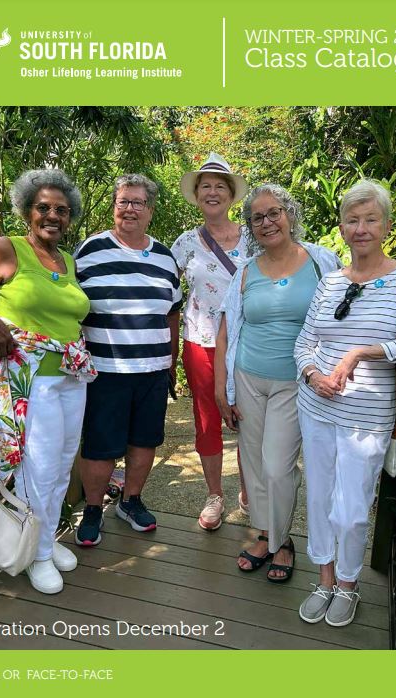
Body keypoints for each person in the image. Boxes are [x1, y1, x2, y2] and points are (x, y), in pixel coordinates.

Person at [294, 179, 396, 626]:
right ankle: (324, 577)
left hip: (366, 415)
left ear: (386, 225)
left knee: (353, 509)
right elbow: (304, 342)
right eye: (353, 220)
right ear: (342, 227)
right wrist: (314, 374)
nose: (361, 228)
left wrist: (361, 352)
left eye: (370, 219)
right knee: (318, 499)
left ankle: (349, 584)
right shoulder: (331, 280)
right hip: (316, 405)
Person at [0, 169, 97, 595]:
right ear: (28, 210)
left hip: (71, 375)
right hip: (32, 380)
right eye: (44, 208)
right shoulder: (6, 249)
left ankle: (45, 540)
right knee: (40, 468)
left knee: (61, 463)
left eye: (62, 210)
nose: (53, 216)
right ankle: (38, 556)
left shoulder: (66, 260)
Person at [215, 184, 340, 581]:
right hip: (249, 377)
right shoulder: (246, 269)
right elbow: (227, 328)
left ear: (289, 215)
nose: (267, 222)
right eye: (258, 217)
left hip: (296, 381)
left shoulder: (321, 261)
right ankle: (268, 535)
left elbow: (344, 317)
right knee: (252, 464)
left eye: (274, 213)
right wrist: (222, 388)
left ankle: (282, 540)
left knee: (276, 465)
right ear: (250, 227)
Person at [74, 173, 182, 544]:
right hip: (105, 370)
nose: (130, 209)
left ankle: (130, 500)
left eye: (138, 202)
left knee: (145, 441)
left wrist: (172, 360)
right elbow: (70, 304)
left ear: (150, 211)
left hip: (152, 370)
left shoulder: (166, 257)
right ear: (114, 207)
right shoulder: (89, 251)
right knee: (100, 444)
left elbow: (172, 312)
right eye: (124, 201)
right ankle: (91, 509)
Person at [171, 153, 250, 531]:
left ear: (232, 195)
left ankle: (251, 490)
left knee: (251, 413)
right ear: (197, 194)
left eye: (221, 185)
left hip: (249, 340)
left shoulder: (255, 234)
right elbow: (165, 290)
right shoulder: (185, 242)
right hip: (200, 340)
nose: (213, 192)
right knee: (207, 417)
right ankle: (215, 494)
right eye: (206, 186)